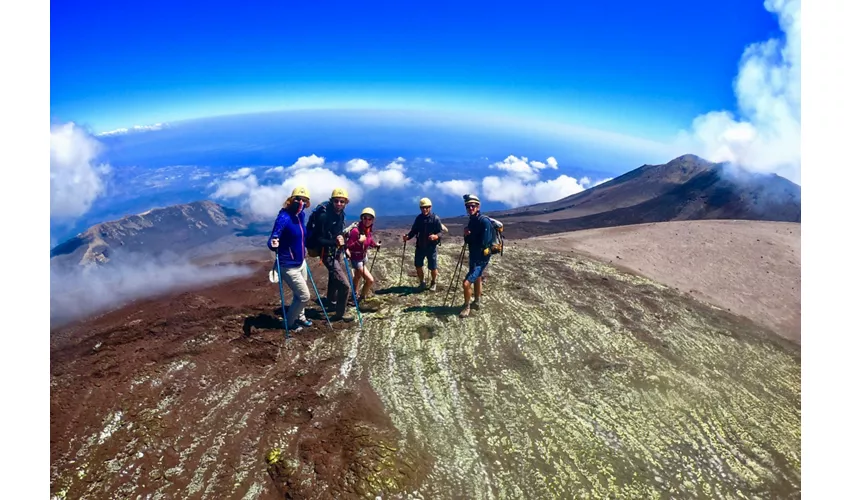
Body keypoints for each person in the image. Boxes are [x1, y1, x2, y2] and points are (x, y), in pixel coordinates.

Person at [267, 186, 314, 332]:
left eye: (304, 200)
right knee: (305, 296)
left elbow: (302, 235)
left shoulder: (300, 215)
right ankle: (289, 323)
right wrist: (273, 244)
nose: (300, 202)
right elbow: (273, 239)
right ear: (291, 199)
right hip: (288, 265)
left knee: (298, 295)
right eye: (298, 199)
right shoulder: (284, 217)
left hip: (301, 262)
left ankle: (300, 316)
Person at [308, 187, 353, 322]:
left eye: (342, 201)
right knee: (345, 285)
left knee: (334, 278)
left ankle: (331, 302)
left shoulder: (341, 215)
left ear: (345, 203)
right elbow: (319, 239)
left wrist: (342, 246)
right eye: (336, 201)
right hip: (326, 252)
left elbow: (337, 233)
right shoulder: (323, 216)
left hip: (335, 251)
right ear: (332, 201)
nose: (339, 204)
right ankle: (340, 313)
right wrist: (335, 242)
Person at [459, 193, 492, 318]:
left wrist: (469, 235)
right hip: (474, 255)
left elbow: (484, 243)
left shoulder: (484, 222)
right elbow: (470, 240)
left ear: (478, 207)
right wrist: (466, 234)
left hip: (480, 258)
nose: (470, 208)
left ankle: (467, 307)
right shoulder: (473, 220)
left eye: (473, 206)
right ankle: (477, 301)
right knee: (477, 277)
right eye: (468, 206)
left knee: (466, 283)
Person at [402, 197, 443, 291]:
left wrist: (436, 236)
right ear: (420, 208)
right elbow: (414, 231)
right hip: (420, 246)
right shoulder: (419, 219)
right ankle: (422, 282)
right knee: (418, 265)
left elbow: (440, 232)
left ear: (430, 207)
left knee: (433, 267)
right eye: (422, 207)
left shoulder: (435, 219)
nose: (425, 209)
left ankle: (433, 282)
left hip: (431, 247)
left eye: (427, 207)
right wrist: (407, 237)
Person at [345, 207, 381, 302]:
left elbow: (369, 240)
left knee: (357, 277)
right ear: (362, 218)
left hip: (363, 257)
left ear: (372, 220)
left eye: (370, 219)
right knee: (370, 280)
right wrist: (359, 242)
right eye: (365, 218)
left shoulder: (368, 229)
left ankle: (354, 294)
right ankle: (361, 298)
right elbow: (348, 246)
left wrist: (375, 245)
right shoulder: (355, 231)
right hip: (357, 259)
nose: (367, 220)